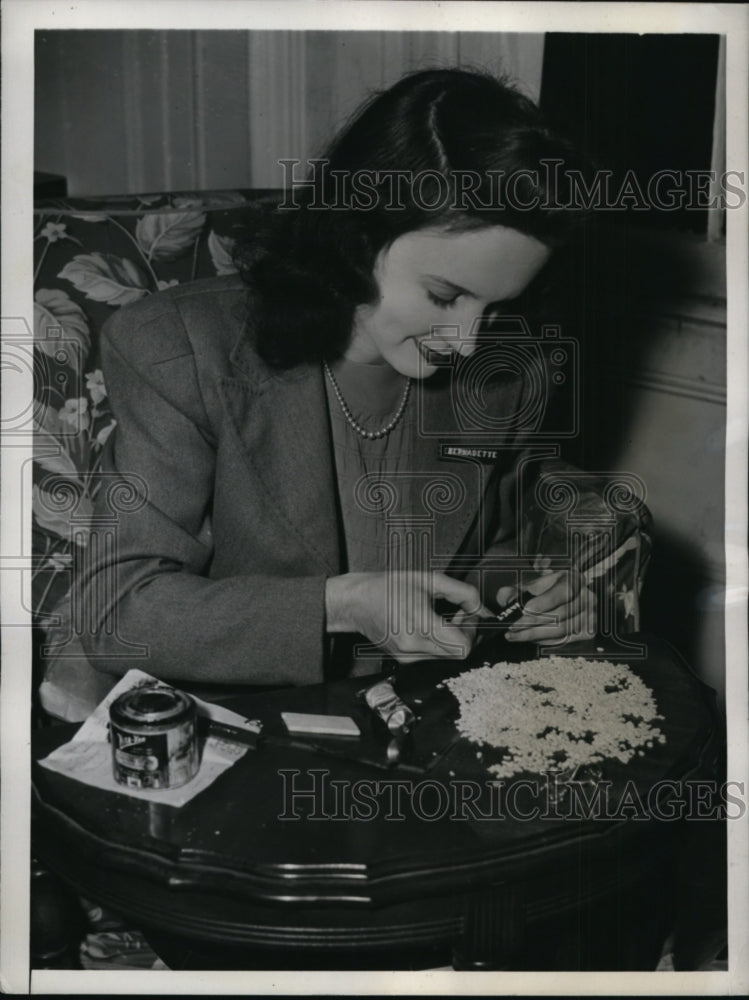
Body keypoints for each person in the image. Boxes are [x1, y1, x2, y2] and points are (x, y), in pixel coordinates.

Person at [77, 68, 601, 689]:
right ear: (357, 236)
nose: (468, 343)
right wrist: (340, 604)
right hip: (242, 718)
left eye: (499, 307)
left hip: (419, 717)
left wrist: (545, 593)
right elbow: (117, 612)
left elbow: (493, 551)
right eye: (443, 295)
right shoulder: (175, 348)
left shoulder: (509, 371)